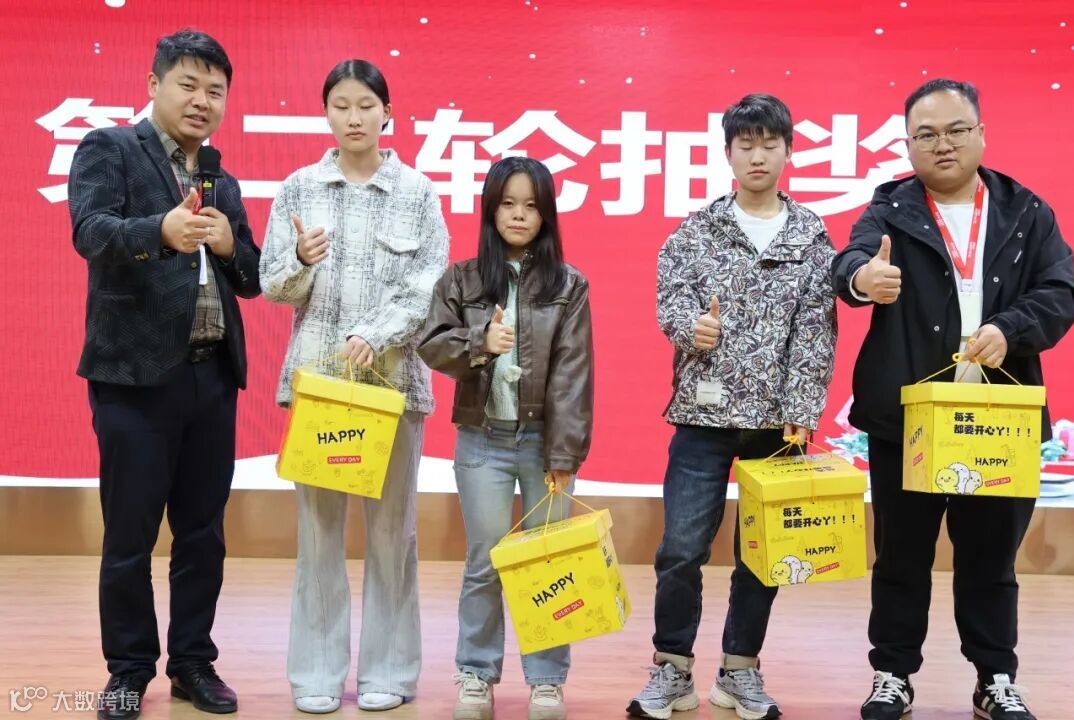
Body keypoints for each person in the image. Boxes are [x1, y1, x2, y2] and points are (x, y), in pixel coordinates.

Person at [831, 78, 1074, 720]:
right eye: (926, 134)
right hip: (908, 416)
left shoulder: (1027, 212)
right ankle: (892, 674)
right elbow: (848, 262)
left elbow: (1061, 292)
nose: (942, 144)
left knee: (991, 557)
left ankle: (995, 678)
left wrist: (1011, 329)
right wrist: (863, 278)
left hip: (999, 416)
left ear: (981, 133)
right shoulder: (889, 208)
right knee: (901, 555)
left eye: (955, 130)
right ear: (908, 144)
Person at [68, 29, 260, 720]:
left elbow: (252, 279)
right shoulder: (110, 148)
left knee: (203, 535)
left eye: (216, 91)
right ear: (154, 85)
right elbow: (90, 231)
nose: (202, 101)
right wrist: (159, 231)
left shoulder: (221, 179)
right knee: (130, 536)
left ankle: (192, 664)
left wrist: (232, 245)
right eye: (189, 84)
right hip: (134, 380)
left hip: (211, 378)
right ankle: (127, 671)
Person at [627, 93, 837, 720]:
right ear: (728, 153)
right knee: (681, 549)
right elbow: (669, 301)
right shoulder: (696, 231)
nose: (757, 156)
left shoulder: (810, 234)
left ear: (788, 151)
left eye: (769, 144)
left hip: (778, 423)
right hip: (703, 416)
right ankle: (671, 668)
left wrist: (803, 405)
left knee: (763, 553)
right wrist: (690, 327)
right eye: (746, 144)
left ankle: (740, 671)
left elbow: (816, 329)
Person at [260, 59, 449, 714]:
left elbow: (430, 286)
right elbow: (273, 283)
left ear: (387, 112)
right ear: (327, 114)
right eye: (341, 105)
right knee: (318, 534)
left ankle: (389, 671)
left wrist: (376, 332)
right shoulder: (298, 188)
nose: (354, 117)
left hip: (392, 386)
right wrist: (300, 260)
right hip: (321, 386)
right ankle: (316, 674)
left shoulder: (417, 192)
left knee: (393, 534)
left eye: (366, 104)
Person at [418, 156, 594, 720]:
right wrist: (480, 342)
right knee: (484, 564)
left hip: (545, 446)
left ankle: (546, 681)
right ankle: (475, 675)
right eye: (509, 204)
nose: (519, 215)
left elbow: (573, 375)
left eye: (531, 206)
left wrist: (564, 454)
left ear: (546, 215)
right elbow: (431, 344)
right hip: (482, 442)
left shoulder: (569, 285)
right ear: (492, 210)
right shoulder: (463, 278)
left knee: (549, 563)